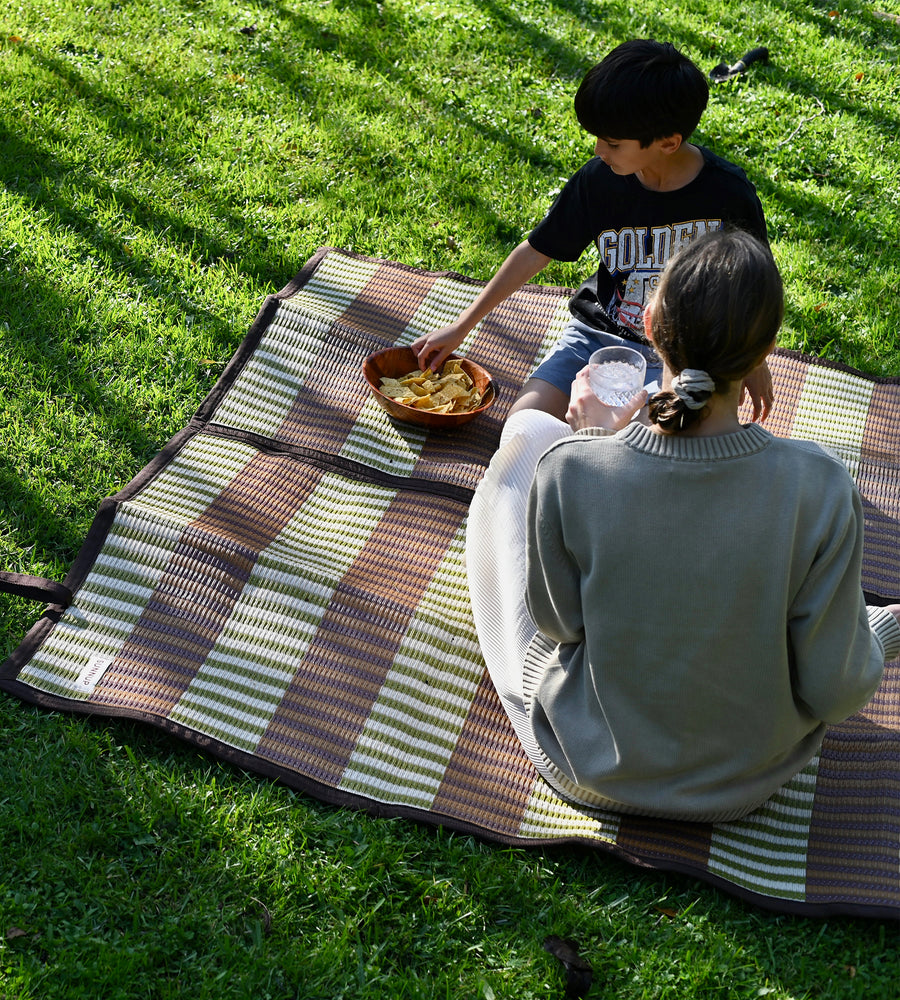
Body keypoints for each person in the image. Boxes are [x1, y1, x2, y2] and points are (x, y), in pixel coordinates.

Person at [465, 229, 900, 822]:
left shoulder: (573, 470)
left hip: (585, 765)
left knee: (526, 442)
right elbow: (836, 689)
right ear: (767, 348)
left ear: (648, 324)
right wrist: (878, 637)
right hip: (747, 781)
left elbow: (561, 624)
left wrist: (595, 444)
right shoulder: (819, 486)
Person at [412, 39, 774, 422]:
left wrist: (754, 359)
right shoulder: (599, 180)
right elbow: (537, 250)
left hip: (681, 356)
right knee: (523, 422)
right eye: (598, 137)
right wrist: (462, 324)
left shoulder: (727, 194)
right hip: (594, 340)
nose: (599, 150)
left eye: (613, 143)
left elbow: (756, 287)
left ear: (668, 142)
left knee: (640, 438)